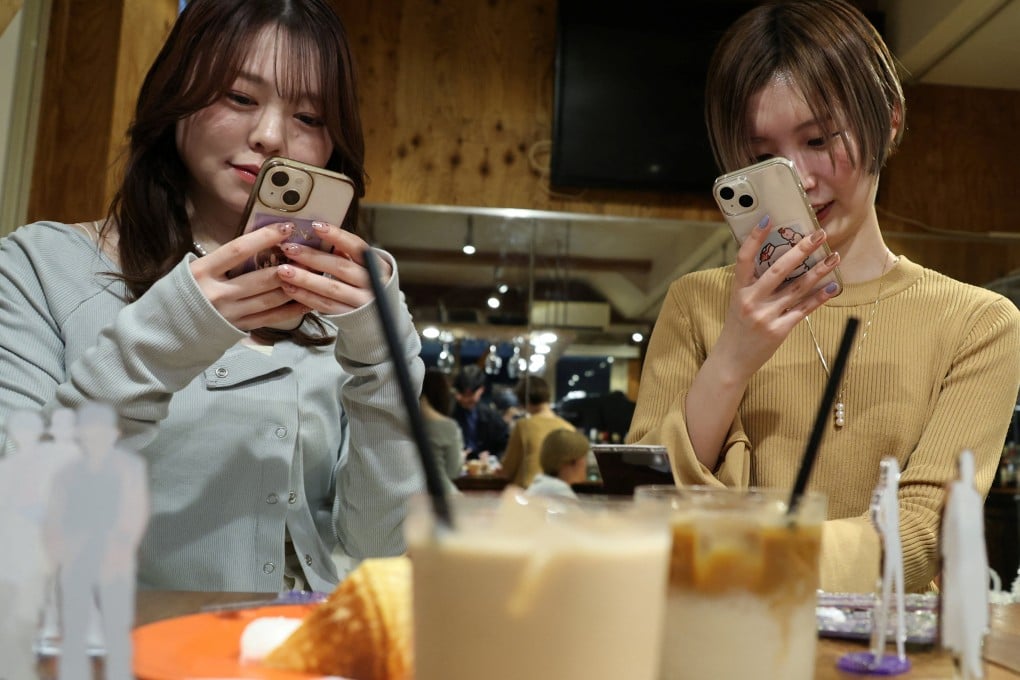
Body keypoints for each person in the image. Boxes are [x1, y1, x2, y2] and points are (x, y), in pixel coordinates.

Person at [0, 0, 425, 592]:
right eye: (240, 98)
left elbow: (384, 547)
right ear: (176, 99)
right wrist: (173, 334)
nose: (271, 136)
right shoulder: (44, 268)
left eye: (309, 116)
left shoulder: (344, 306)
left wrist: (386, 362)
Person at [626, 0, 1020, 593]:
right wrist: (732, 359)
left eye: (817, 139)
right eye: (763, 158)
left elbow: (919, 539)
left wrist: (730, 554)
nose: (800, 179)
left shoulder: (978, 324)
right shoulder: (698, 305)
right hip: (718, 646)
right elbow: (643, 508)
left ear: (888, 120)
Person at [500, 376, 576, 488]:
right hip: (558, 495)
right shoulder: (569, 428)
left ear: (523, 401)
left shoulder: (523, 425)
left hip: (527, 493)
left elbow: (507, 470)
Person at [451, 364, 509, 460]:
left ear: (481, 390)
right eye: (462, 394)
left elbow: (505, 444)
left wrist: (491, 455)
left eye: (470, 395)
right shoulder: (449, 414)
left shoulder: (492, 415)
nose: (465, 399)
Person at [420, 367, 466, 481]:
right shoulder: (448, 426)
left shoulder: (403, 422)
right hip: (440, 492)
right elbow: (453, 472)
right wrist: (462, 457)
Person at [524, 429, 591, 500]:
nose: (586, 464)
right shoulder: (559, 490)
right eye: (584, 457)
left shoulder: (541, 484)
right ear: (572, 461)